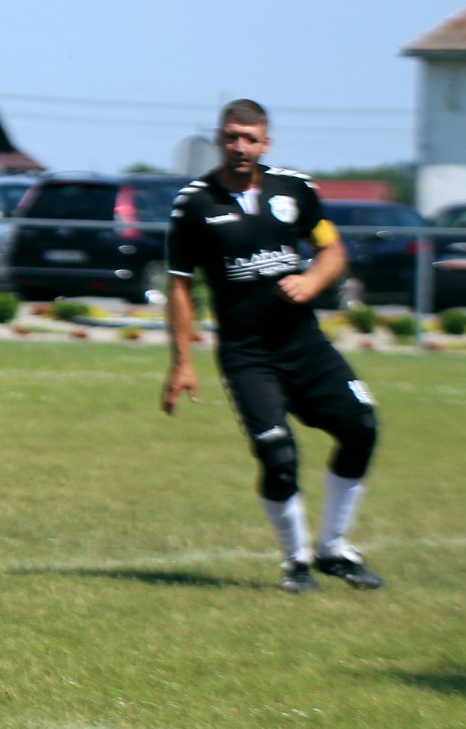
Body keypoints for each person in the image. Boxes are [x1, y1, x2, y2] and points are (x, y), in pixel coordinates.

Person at [162, 99, 385, 594]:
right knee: (278, 457)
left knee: (362, 428)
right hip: (248, 355)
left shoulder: (295, 189)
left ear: (266, 143)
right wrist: (182, 363)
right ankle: (295, 564)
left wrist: (312, 281)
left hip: (305, 345)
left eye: (250, 138)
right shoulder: (194, 204)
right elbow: (179, 284)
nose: (240, 147)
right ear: (219, 139)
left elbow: (332, 250)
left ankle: (334, 549)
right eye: (232, 137)